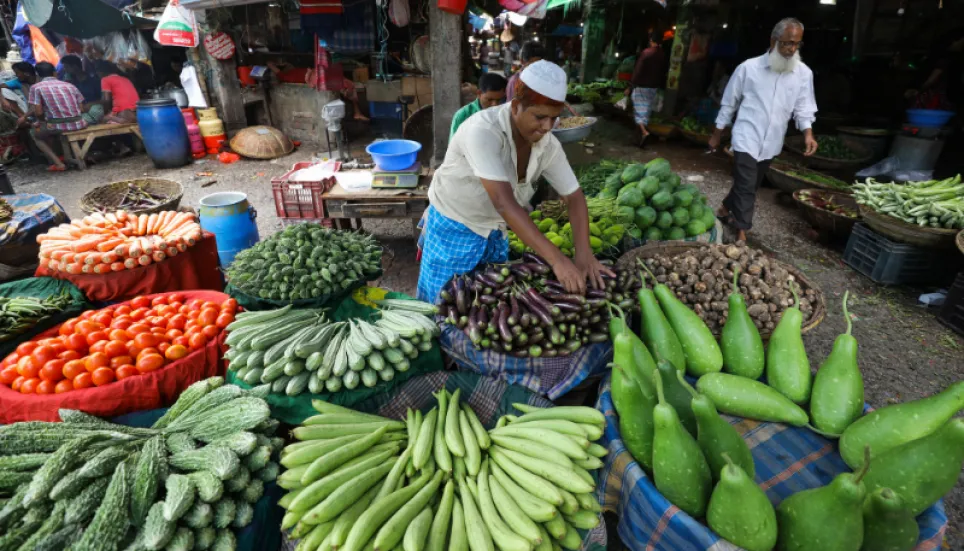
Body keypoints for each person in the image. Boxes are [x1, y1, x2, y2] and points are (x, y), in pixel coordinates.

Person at [417, 61, 612, 303]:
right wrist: (558, 260)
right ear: (516, 106)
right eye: (540, 117)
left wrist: (584, 254)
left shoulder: (547, 144)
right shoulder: (483, 131)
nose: (547, 127)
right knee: (443, 306)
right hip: (455, 225)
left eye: (554, 118)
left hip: (495, 229)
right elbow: (503, 202)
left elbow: (573, 197)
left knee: (482, 307)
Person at [709, 17, 818, 242]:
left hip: (772, 142)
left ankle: (724, 209)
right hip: (746, 136)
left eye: (796, 44)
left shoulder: (803, 74)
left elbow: (804, 107)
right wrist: (717, 134)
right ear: (773, 40)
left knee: (749, 183)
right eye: (787, 43)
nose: (791, 49)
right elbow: (729, 103)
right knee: (747, 185)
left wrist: (808, 133)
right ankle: (741, 231)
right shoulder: (749, 68)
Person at [21, 62, 88, 171]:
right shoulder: (69, 85)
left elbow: (38, 112)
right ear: (54, 73)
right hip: (79, 123)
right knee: (50, 128)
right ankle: (67, 156)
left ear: (38, 75)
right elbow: (81, 109)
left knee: (35, 134)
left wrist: (43, 122)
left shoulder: (36, 88)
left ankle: (58, 163)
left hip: (56, 126)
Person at [625, 32, 667, 145]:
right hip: (653, 88)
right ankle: (639, 138)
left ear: (651, 40)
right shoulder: (662, 54)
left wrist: (630, 86)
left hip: (642, 86)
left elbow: (638, 71)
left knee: (638, 111)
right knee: (646, 111)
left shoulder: (647, 53)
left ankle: (644, 132)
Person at [906, 29, 964, 110]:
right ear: (954, 41)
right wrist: (919, 90)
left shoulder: (948, 57)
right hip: (940, 95)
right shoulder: (945, 58)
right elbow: (932, 79)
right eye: (961, 41)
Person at [450, 73, 507, 138]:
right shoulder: (462, 115)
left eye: (499, 100)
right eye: (489, 100)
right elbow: (453, 146)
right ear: (479, 93)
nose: (495, 105)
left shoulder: (505, 114)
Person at [61, 55, 104, 124]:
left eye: (67, 67)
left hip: (93, 111)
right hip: (79, 113)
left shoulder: (94, 81)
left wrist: (91, 104)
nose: (65, 70)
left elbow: (104, 100)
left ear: (75, 67)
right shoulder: (71, 83)